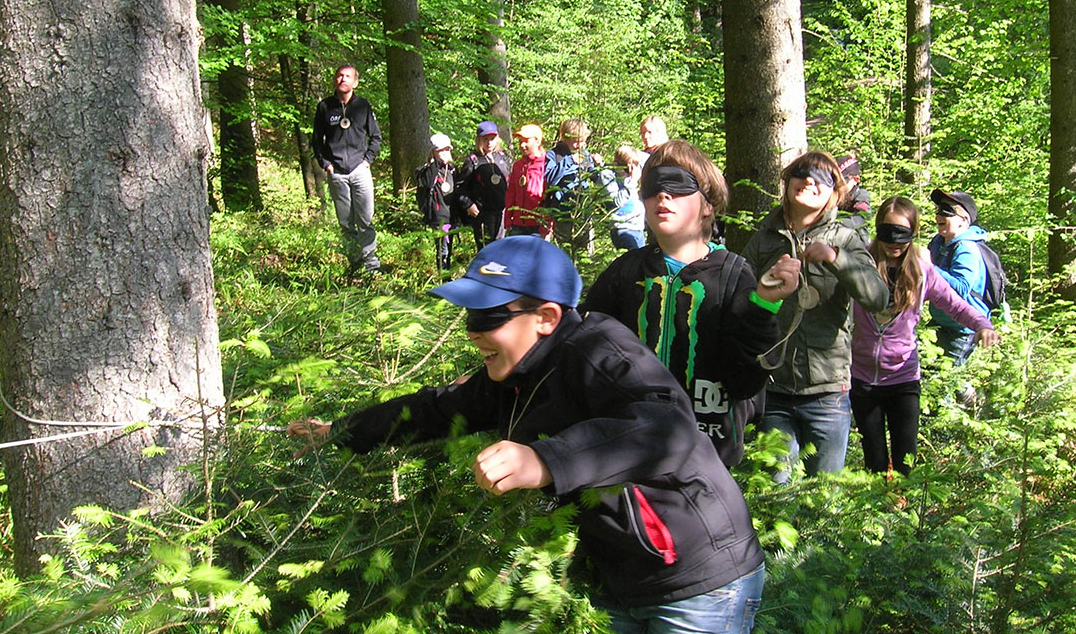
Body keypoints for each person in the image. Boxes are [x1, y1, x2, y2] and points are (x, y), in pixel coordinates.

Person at [288, 236, 765, 634]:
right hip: (622, 574)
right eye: (469, 316)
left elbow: (666, 427)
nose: (473, 332)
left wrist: (546, 460)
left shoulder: (601, 350)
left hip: (700, 577)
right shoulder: (515, 373)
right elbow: (436, 410)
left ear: (547, 318)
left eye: (488, 317)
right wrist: (339, 432)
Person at [583, 140, 798, 466]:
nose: (663, 196)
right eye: (653, 188)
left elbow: (744, 382)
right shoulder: (625, 273)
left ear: (708, 204)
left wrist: (764, 305)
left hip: (708, 456)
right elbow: (584, 351)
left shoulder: (733, 275)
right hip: (628, 452)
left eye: (679, 186)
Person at [741, 150, 888, 481]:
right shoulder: (764, 240)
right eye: (802, 173)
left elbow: (878, 298)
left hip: (827, 394)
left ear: (835, 193)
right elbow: (739, 303)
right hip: (772, 387)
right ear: (787, 183)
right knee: (773, 487)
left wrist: (836, 258)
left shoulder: (845, 238)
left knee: (823, 498)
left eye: (822, 178)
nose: (810, 180)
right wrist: (767, 280)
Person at [850, 197, 1000, 475]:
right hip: (861, 378)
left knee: (906, 461)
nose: (894, 243)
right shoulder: (861, 266)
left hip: (903, 378)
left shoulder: (921, 270)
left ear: (914, 233)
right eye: (888, 233)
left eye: (902, 235)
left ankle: (903, 511)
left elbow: (954, 303)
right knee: (875, 460)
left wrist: (982, 324)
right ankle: (876, 515)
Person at [311, 64, 382, 274]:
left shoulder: (363, 106)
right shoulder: (325, 107)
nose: (343, 79)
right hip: (337, 172)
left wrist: (368, 160)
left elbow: (376, 136)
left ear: (355, 82)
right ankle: (354, 264)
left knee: (366, 219)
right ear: (335, 80)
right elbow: (316, 141)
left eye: (348, 76)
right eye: (340, 75)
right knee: (346, 222)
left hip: (360, 169)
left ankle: (371, 265)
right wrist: (327, 165)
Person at [927, 189, 991, 366]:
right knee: (928, 372)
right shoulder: (939, 243)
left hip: (961, 329)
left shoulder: (966, 248)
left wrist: (930, 268)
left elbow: (961, 289)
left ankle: (968, 393)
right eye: (939, 210)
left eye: (947, 211)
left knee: (944, 383)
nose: (939, 215)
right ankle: (967, 392)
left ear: (964, 220)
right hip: (941, 321)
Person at [544, 119, 603, 251]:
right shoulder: (554, 155)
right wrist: (569, 161)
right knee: (564, 249)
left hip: (583, 211)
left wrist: (599, 167)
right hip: (562, 211)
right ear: (564, 137)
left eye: (582, 141)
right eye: (576, 141)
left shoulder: (585, 154)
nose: (579, 145)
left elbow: (594, 177)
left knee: (583, 249)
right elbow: (550, 179)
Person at [454, 121, 511, 250]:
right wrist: (468, 204)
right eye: (485, 139)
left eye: (492, 139)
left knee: (501, 247)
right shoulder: (473, 161)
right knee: (486, 249)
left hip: (502, 211)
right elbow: (460, 188)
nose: (489, 143)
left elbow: (509, 182)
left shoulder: (502, 158)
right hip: (483, 213)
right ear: (479, 140)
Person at [415, 133, 457, 271]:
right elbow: (427, 183)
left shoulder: (453, 170)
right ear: (433, 152)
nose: (445, 153)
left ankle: (447, 274)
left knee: (449, 249)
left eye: (447, 150)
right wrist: (437, 162)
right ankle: (443, 278)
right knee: (442, 250)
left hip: (452, 216)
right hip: (438, 217)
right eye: (441, 150)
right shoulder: (426, 170)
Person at [503, 124, 550, 237]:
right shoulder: (518, 165)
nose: (522, 145)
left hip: (538, 224)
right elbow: (511, 193)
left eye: (526, 141)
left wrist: (547, 223)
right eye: (520, 142)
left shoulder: (546, 164)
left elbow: (550, 196)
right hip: (517, 224)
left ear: (537, 142)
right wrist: (508, 218)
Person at [599, 145, 646, 251]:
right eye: (627, 169)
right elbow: (617, 202)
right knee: (632, 262)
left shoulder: (631, 178)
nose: (630, 172)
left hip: (638, 228)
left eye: (633, 168)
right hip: (622, 228)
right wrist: (631, 182)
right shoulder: (607, 176)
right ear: (616, 165)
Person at [835, 155, 871, 238]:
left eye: (842, 182)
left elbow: (861, 218)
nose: (838, 186)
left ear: (856, 179)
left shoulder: (861, 195)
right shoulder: (833, 195)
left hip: (857, 239)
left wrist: (836, 223)